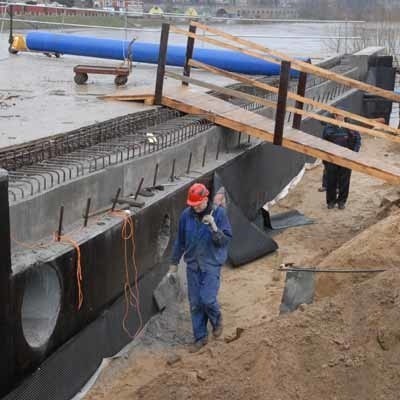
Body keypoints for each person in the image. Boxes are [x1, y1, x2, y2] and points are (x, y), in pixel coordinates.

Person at [169, 183, 232, 352]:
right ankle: (200, 337)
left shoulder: (219, 214)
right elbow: (180, 241)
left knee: (207, 299)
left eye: (198, 204)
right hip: (193, 265)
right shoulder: (186, 216)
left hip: (211, 263)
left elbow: (225, 241)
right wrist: (174, 264)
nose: (195, 208)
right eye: (192, 205)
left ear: (205, 199)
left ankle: (217, 320)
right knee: (195, 303)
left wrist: (214, 228)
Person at [322, 113, 361, 210]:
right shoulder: (329, 128)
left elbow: (358, 140)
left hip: (346, 159)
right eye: (338, 115)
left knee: (344, 181)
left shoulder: (350, 128)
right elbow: (323, 142)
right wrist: (325, 158)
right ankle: (331, 202)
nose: (340, 117)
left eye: (341, 115)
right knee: (331, 180)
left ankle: (341, 202)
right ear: (335, 116)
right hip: (332, 158)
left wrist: (353, 154)